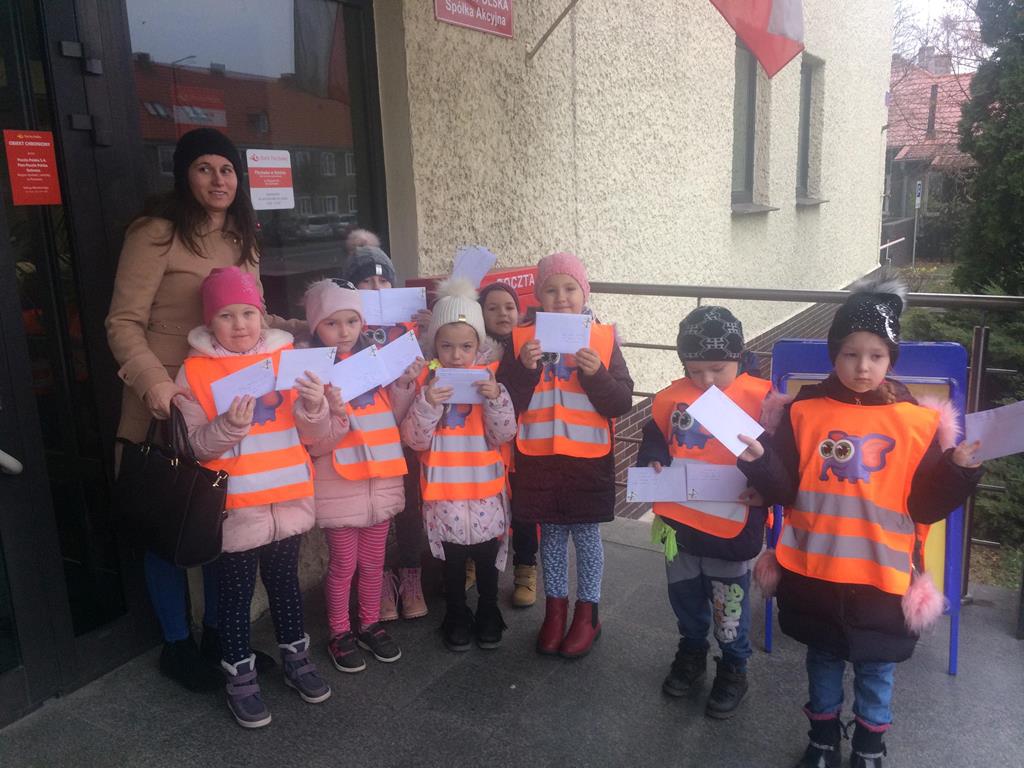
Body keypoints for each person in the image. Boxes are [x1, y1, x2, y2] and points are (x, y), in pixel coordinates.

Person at [737, 276, 984, 768]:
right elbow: (786, 488)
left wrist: (957, 471)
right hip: (814, 573)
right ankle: (823, 741)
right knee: (823, 660)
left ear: (891, 358)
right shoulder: (804, 412)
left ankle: (869, 748)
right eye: (850, 353)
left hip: (883, 580)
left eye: (876, 355)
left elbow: (925, 506)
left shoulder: (916, 423)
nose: (862, 366)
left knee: (876, 670)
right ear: (834, 354)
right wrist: (761, 462)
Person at [105, 128, 288, 691]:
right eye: (204, 168)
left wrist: (311, 328)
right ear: (185, 176)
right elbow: (123, 323)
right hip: (167, 402)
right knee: (169, 519)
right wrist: (154, 385)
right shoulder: (155, 234)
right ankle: (176, 644)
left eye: (227, 169)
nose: (218, 179)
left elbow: (254, 315)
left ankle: (218, 635)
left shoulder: (242, 237)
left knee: (217, 519)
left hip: (224, 403)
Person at [174, 266, 331, 728]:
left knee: (285, 585)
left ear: (262, 315)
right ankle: (239, 677)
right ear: (210, 322)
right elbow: (194, 447)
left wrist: (314, 404)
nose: (240, 324)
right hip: (236, 508)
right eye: (226, 315)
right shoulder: (194, 371)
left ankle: (296, 659)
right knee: (236, 597)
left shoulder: (289, 357)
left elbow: (314, 435)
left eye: (248, 313)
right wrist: (227, 427)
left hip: (287, 499)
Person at [636, 306, 773, 719]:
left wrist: (765, 482)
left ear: (738, 357)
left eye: (718, 369)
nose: (707, 380)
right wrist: (653, 457)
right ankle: (692, 650)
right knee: (684, 597)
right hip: (680, 525)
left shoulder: (763, 400)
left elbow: (779, 462)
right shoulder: (672, 396)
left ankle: (734, 666)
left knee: (729, 608)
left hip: (730, 529)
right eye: (696, 371)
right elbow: (655, 434)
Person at [499, 252, 634, 658]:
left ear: (584, 292)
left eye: (570, 288)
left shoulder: (603, 338)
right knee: (553, 538)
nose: (561, 298)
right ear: (538, 296)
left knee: (587, 538)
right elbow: (505, 402)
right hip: (538, 457)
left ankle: (587, 614)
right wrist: (523, 369)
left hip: (587, 459)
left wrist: (597, 375)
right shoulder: (521, 340)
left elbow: (621, 402)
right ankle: (555, 612)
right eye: (551, 290)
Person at [299, 279, 423, 672]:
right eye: (332, 323)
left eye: (351, 321)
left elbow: (395, 417)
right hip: (340, 487)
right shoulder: (312, 374)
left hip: (381, 482)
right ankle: (339, 633)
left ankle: (369, 624)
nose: (344, 331)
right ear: (316, 326)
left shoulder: (374, 361)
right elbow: (314, 442)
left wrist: (404, 382)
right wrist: (332, 412)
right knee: (343, 566)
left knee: (373, 565)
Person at [399, 278, 516, 651]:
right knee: (451, 563)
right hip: (444, 495)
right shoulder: (427, 386)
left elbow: (505, 434)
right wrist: (428, 403)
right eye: (446, 346)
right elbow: (415, 440)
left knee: (486, 560)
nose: (456, 355)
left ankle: (488, 610)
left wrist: (496, 399)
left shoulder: (492, 383)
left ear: (478, 347)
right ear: (434, 346)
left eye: (466, 346)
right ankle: (456, 613)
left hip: (486, 493)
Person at [343, 244, 432, 621]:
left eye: (383, 281)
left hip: (406, 432)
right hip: (366, 437)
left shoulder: (409, 325)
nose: (376, 288)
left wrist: (428, 333)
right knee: (374, 514)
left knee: (409, 509)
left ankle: (411, 577)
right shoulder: (344, 329)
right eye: (366, 281)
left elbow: (434, 367)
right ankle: (378, 582)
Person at [477, 281, 537, 606]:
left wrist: (526, 367)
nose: (503, 313)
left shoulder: (528, 347)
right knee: (480, 504)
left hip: (524, 445)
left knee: (524, 509)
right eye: (493, 307)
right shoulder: (473, 348)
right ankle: (472, 561)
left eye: (509, 307)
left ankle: (526, 569)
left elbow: (519, 399)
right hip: (484, 445)